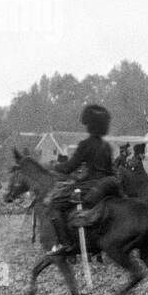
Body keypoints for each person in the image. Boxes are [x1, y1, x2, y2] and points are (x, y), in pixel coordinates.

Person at [48, 104, 116, 254]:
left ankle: (64, 244)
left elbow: (69, 168)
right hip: (107, 185)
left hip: (91, 187)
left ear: (90, 125)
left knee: (54, 204)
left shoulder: (85, 145)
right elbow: (108, 171)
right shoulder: (107, 147)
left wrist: (55, 166)